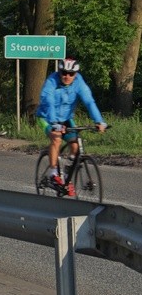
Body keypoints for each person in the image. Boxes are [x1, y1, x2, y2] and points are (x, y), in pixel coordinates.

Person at [36, 58, 107, 195]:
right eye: (64, 73)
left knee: (75, 145)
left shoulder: (79, 82)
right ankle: (52, 172)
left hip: (66, 118)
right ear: (59, 71)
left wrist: (98, 121)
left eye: (71, 73)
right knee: (56, 138)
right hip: (46, 116)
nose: (67, 76)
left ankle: (69, 169)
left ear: (75, 74)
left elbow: (89, 101)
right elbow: (48, 101)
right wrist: (54, 124)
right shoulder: (52, 81)